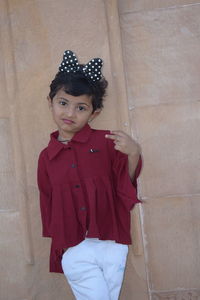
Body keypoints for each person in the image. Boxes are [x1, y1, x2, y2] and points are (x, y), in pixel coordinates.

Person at [37, 50, 142, 300]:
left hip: (113, 242)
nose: (70, 113)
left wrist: (134, 153)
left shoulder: (107, 143)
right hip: (75, 247)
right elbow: (47, 201)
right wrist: (59, 246)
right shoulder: (46, 157)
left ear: (93, 113)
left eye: (80, 107)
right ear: (50, 102)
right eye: (63, 103)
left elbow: (124, 184)